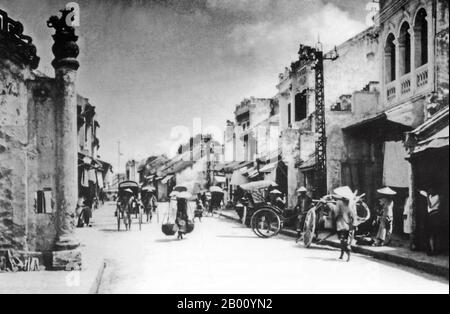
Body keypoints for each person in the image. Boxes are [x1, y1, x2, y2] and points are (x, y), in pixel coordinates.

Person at [334, 186, 358, 262]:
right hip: (348, 225)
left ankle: (345, 254)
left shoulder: (339, 203)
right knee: (346, 240)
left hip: (340, 224)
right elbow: (353, 215)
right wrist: (354, 223)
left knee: (342, 241)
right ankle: (344, 255)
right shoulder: (350, 204)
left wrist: (334, 219)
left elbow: (336, 213)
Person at [420, 187, 441, 255]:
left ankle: (435, 250)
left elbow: (430, 206)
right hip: (431, 216)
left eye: (431, 189)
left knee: (435, 234)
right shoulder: (430, 196)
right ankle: (432, 250)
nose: (429, 191)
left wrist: (427, 197)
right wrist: (420, 191)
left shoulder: (437, 197)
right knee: (431, 234)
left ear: (434, 190)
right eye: (429, 190)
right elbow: (422, 192)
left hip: (435, 215)